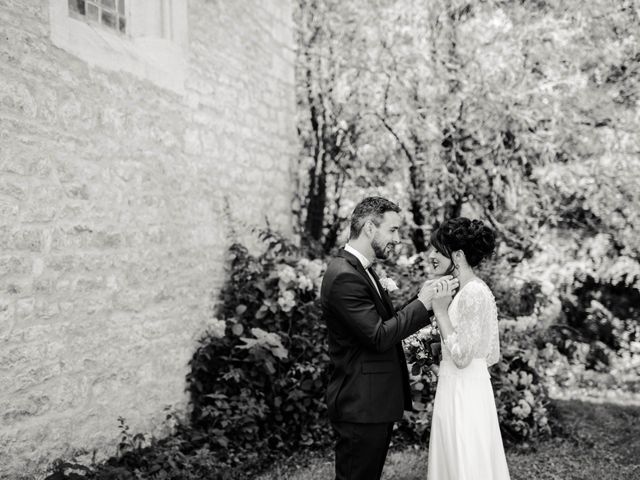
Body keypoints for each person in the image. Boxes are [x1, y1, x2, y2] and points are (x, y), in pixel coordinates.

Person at [321, 196, 458, 480]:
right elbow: (380, 336)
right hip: (360, 403)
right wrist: (423, 302)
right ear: (370, 228)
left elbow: (384, 322)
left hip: (371, 402)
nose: (398, 239)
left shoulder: (361, 270)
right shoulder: (345, 276)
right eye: (393, 230)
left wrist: (424, 299)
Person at [426, 217, 511, 480]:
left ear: (458, 255)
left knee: (465, 456)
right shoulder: (465, 290)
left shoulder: (473, 292)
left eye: (437, 250)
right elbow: (487, 353)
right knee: (456, 455)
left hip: (463, 389)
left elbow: (463, 357)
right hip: (460, 384)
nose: (431, 256)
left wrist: (440, 312)